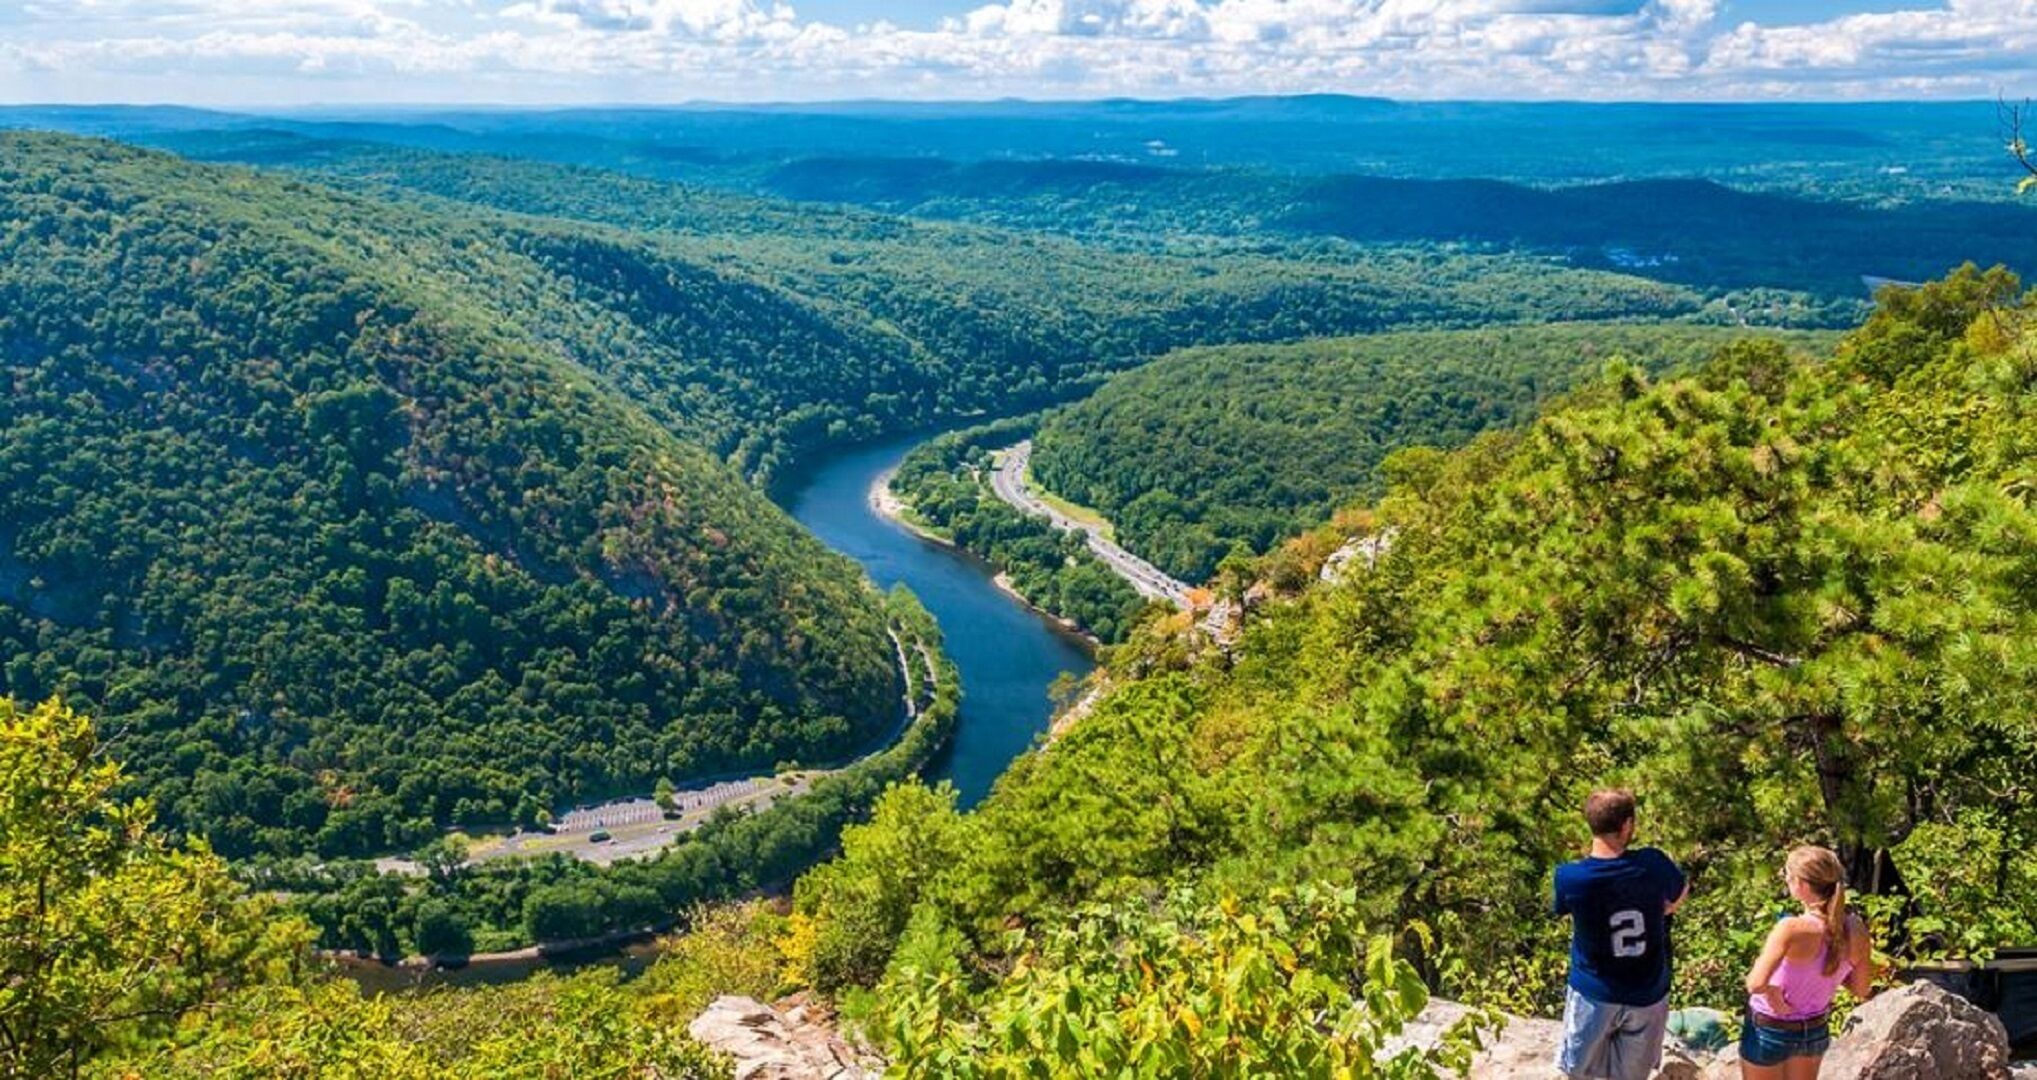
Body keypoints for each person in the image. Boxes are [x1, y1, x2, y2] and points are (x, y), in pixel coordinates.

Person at [1553, 789, 1691, 1080]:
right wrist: (1660, 910)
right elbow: (1679, 892)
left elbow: (1562, 907)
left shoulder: (1571, 877)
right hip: (1647, 992)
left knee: (1579, 1073)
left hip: (1594, 992)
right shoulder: (1652, 863)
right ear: (1627, 825)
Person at [1739, 845, 1876, 1079]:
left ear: (1801, 884)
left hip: (1769, 1028)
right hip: (1814, 1031)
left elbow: (1755, 983)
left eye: (1787, 875)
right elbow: (1862, 988)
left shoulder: (1791, 928)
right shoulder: (1855, 928)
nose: (1786, 881)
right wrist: (1826, 975)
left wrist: (1774, 994)